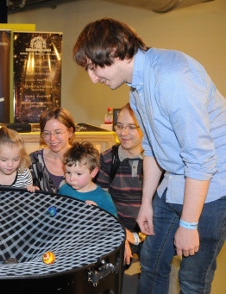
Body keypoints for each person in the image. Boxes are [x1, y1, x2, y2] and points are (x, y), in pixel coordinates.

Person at [73, 17, 226, 294]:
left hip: (211, 187)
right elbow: (154, 150)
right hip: (174, 182)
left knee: (192, 280)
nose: (93, 78)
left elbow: (201, 159)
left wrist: (189, 224)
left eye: (93, 68)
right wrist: (146, 203)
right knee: (152, 265)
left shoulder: (174, 76)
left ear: (115, 52)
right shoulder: (137, 90)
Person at [95, 103, 144, 267]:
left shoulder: (157, 161)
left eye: (131, 127)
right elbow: (100, 205)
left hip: (150, 230)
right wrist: (120, 234)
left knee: (156, 271)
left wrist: (141, 236)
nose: (123, 133)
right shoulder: (108, 159)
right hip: (116, 226)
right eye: (120, 126)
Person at [58, 141, 117, 216]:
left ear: (93, 172)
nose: (71, 178)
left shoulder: (104, 198)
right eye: (68, 172)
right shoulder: (64, 190)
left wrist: (98, 213)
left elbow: (114, 224)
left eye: (78, 174)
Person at [29, 107, 75, 193]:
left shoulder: (84, 160)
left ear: (70, 132)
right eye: (47, 133)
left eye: (58, 132)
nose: (52, 138)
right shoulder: (33, 160)